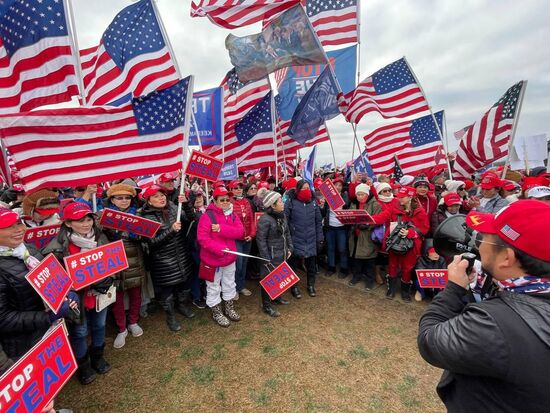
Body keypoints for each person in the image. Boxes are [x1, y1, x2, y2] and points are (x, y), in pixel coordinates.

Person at [418, 200, 550, 413]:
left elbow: (429, 340)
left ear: (507, 258)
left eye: (486, 237)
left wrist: (453, 288)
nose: (478, 242)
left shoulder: (493, 324)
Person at [42, 202, 111, 385]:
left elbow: (113, 261)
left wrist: (108, 279)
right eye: (79, 221)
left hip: (98, 293)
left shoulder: (101, 237)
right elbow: (52, 278)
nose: (86, 224)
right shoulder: (56, 247)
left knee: (100, 325)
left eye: (88, 219)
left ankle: (98, 356)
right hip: (76, 298)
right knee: (79, 332)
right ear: (68, 223)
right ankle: (83, 365)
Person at [139, 185, 195, 332]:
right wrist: (171, 231)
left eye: (162, 194)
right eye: (156, 196)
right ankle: (170, 316)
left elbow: (191, 218)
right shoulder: (145, 217)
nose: (161, 198)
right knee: (167, 291)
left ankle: (182, 306)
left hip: (182, 256)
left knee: (184, 284)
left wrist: (187, 203)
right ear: (149, 201)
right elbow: (151, 243)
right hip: (163, 262)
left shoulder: (172, 207)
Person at [103, 183, 146, 349]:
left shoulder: (139, 215)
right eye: (119, 197)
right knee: (117, 297)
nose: (124, 200)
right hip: (115, 260)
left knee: (136, 292)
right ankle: (121, 328)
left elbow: (145, 237)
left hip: (134, 258)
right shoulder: (103, 217)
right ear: (112, 199)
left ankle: (133, 322)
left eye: (127, 197)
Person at [370, 187, 430, 301]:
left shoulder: (419, 211)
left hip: (411, 245)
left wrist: (410, 233)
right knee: (392, 265)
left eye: (402, 197)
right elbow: (382, 217)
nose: (399, 199)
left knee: (407, 268)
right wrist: (366, 219)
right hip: (395, 242)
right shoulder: (395, 207)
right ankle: (391, 290)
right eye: (399, 197)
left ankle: (405, 292)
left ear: (410, 197)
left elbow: (425, 229)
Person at [197, 186, 244, 327]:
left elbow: (240, 232)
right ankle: (217, 312)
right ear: (215, 201)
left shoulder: (232, 214)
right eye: (222, 200)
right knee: (213, 286)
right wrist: (219, 249)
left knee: (230, 283)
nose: (225, 202)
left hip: (229, 258)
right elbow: (203, 239)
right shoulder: (207, 216)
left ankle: (229, 308)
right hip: (212, 260)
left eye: (227, 199)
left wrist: (222, 229)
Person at [256, 191, 293, 317]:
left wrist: (290, 247)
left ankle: (276, 297)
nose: (283, 203)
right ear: (273, 205)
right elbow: (260, 240)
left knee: (278, 276)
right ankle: (266, 306)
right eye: (280, 201)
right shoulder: (265, 219)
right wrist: (266, 258)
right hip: (270, 255)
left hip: (281, 253)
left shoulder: (282, 215)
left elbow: (286, 233)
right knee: (268, 279)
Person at [285, 179, 324, 298]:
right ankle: (294, 287)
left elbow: (318, 221)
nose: (306, 190)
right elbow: (285, 220)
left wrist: (320, 238)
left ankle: (311, 285)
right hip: (296, 237)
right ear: (298, 189)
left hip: (311, 238)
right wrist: (289, 236)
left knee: (311, 264)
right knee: (294, 265)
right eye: (303, 188)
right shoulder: (291, 202)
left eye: (308, 188)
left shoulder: (313, 202)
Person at [347, 183, 382, 290]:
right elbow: (350, 215)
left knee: (369, 260)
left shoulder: (375, 205)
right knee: (356, 258)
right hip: (356, 235)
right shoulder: (354, 204)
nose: (360, 197)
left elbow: (378, 219)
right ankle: (356, 276)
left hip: (367, 236)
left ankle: (370, 281)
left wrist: (368, 226)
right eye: (358, 194)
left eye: (362, 194)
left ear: (367, 194)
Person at [228, 180, 256, 297]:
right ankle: (233, 288)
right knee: (237, 265)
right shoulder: (228, 203)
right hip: (236, 239)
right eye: (236, 188)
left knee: (244, 264)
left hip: (247, 238)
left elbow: (251, 219)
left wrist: (252, 234)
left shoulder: (247, 202)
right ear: (231, 190)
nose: (239, 190)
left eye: (240, 188)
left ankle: (241, 286)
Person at [321, 177, 350, 278]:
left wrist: (342, 205)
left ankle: (344, 269)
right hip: (330, 227)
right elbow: (324, 213)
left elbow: (347, 207)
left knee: (342, 249)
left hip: (341, 227)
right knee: (330, 248)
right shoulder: (327, 197)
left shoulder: (345, 196)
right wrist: (323, 204)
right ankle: (331, 267)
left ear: (342, 187)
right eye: (336, 185)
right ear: (332, 187)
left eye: (340, 185)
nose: (338, 187)